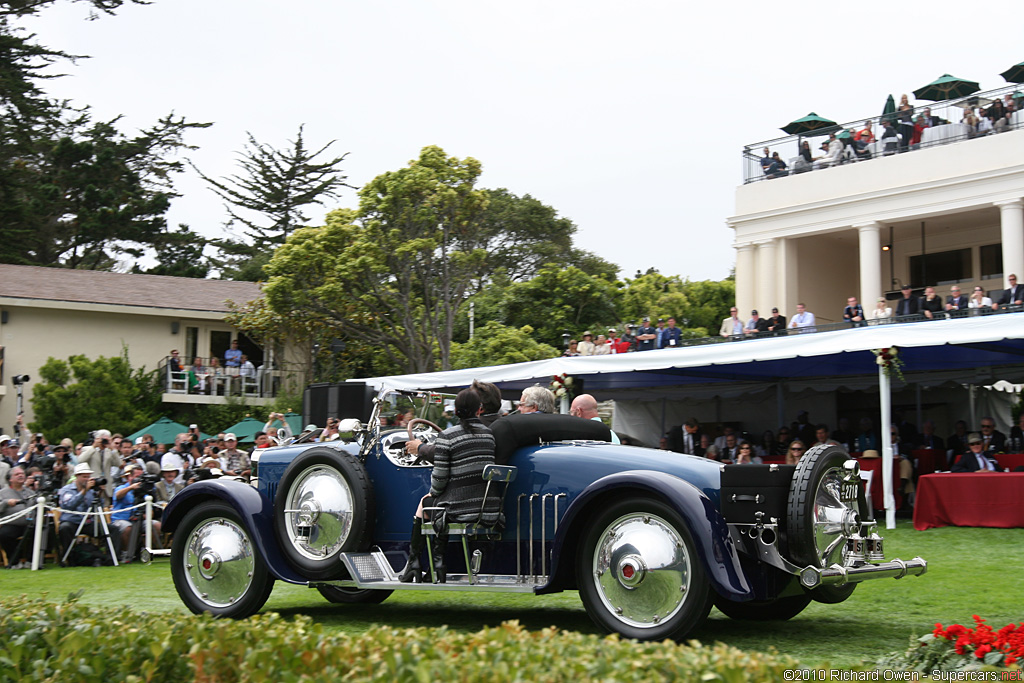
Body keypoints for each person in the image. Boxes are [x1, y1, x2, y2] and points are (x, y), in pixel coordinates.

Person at [397, 387, 497, 584]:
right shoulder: (489, 435)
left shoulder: (447, 437)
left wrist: (434, 493)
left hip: (460, 508)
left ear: (456, 411)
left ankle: (415, 563)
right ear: (479, 410)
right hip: (487, 507)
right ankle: (436, 564)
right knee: (435, 503)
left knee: (425, 502)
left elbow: (439, 480)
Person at [110, 463, 161, 563]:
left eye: (141, 477)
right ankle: (126, 553)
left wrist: (147, 514)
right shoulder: (121, 487)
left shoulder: (143, 490)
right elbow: (118, 495)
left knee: (156, 525)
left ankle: (145, 551)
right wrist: (131, 488)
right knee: (128, 528)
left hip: (139, 518)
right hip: (121, 519)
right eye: (137, 477)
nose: (139, 480)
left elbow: (150, 510)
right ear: (130, 477)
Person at [57, 462, 102, 559]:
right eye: (84, 477)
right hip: (71, 521)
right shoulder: (66, 490)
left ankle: (111, 558)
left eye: (88, 477)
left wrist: (100, 492)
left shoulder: (92, 491)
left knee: (112, 529)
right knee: (64, 528)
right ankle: (69, 558)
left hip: (87, 523)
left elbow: (98, 507)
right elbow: (69, 506)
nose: (87, 479)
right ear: (77, 476)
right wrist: (84, 491)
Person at [0, 466, 34, 568]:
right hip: (12, 524)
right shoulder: (2, 493)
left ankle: (30, 561)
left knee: (41, 531)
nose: (20, 475)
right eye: (17, 474)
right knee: (5, 535)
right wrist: (6, 503)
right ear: (10, 479)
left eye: (22, 474)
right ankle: (14, 562)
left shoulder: (30, 492)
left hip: (29, 523)